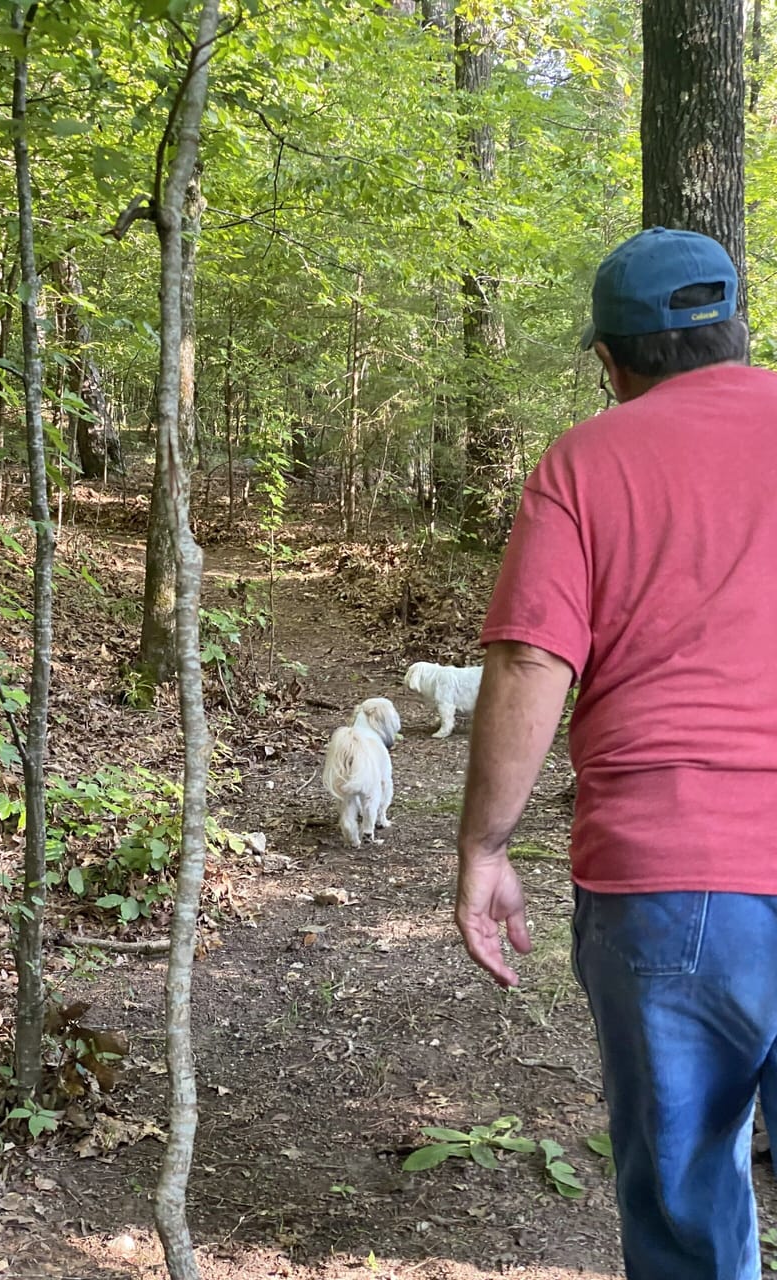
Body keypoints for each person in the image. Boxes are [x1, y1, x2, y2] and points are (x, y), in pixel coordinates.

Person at [454, 225, 777, 1280]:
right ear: (737, 329)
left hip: (668, 875)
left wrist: (485, 849)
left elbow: (527, 664)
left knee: (685, 1202)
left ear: (611, 359)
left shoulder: (585, 464)